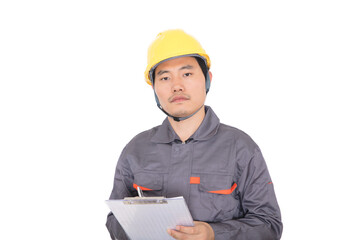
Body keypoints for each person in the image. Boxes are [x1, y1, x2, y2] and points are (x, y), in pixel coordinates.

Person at [106, 29, 283, 240]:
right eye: (164, 77)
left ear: (207, 79)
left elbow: (269, 225)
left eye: (187, 74)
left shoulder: (240, 147)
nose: (177, 86)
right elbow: (114, 220)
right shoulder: (136, 150)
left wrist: (213, 233)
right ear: (154, 88)